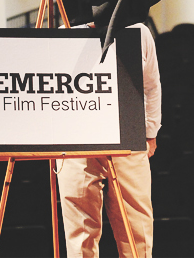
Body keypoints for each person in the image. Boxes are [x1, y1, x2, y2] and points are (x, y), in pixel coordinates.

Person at [57, 20, 162, 258]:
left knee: (137, 226)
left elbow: (151, 86)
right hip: (76, 139)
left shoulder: (138, 31)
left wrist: (150, 132)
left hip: (128, 134)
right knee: (79, 230)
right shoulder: (65, 32)